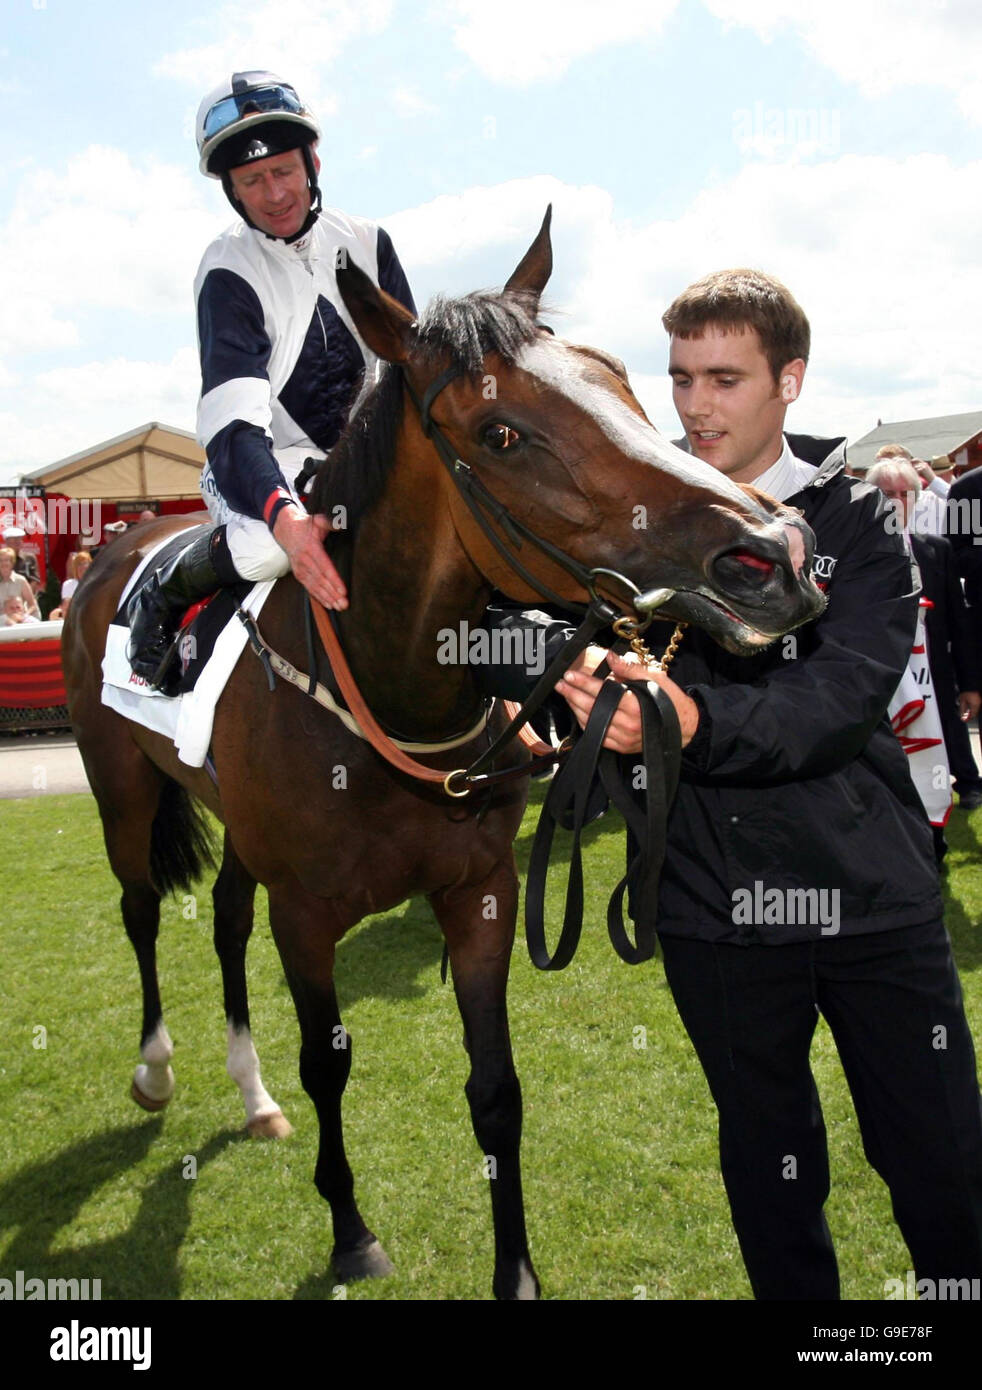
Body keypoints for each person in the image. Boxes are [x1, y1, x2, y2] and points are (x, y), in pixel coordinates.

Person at [552, 268, 982, 1299]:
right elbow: (551, 634)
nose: (694, 405)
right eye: (680, 377)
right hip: (714, 909)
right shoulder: (632, 526)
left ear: (788, 380)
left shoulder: (856, 522)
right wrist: (570, 688)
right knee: (772, 1172)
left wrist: (691, 719)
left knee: (943, 1165)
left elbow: (837, 703)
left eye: (723, 378)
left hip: (874, 897)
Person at [128, 70, 416, 690]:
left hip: (359, 456)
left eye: (282, 170)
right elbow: (233, 426)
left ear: (312, 160)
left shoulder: (369, 242)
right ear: (231, 189)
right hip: (261, 460)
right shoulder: (228, 268)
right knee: (270, 549)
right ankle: (168, 585)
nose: (273, 193)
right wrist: (285, 517)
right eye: (251, 180)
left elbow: (408, 371)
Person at [868, 458, 982, 814]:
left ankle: (964, 784)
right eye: (887, 494)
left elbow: (958, 623)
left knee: (947, 728)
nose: (896, 502)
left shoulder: (936, 550)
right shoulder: (855, 556)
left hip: (936, 671)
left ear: (916, 499)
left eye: (904, 494)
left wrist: (970, 683)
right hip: (879, 677)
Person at [0, 547, 40, 619]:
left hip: (20, 621)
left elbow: (32, 605)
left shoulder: (20, 580)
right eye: (1, 560)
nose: (3, 563)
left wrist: (24, 616)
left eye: (6, 560)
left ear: (12, 563)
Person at [2, 526, 40, 593]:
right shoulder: (1, 558)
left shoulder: (30, 558)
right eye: (14, 540)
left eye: (19, 539)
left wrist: (24, 596)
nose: (17, 541)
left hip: (25, 598)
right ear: (7, 542)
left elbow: (34, 580)